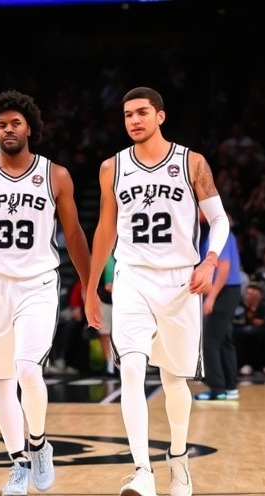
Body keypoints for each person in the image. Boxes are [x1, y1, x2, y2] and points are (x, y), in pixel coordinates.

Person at [84, 87, 230, 496]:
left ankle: (178, 459)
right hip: (132, 276)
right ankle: (142, 472)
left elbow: (219, 221)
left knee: (174, 379)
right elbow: (105, 229)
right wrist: (92, 286)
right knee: (131, 367)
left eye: (142, 112)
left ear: (160, 116)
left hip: (182, 280)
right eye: (128, 114)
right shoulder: (112, 167)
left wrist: (209, 260)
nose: (134, 120)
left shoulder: (191, 162)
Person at [0, 89, 91, 496]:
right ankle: (17, 461)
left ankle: (40, 443)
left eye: (15, 123)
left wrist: (90, 285)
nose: (8, 129)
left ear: (30, 127)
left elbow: (75, 233)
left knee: (28, 368)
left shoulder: (55, 174)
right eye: (1, 125)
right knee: (2, 380)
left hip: (38, 282)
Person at [195, 215, 243, 401]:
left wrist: (211, 298)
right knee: (224, 340)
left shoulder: (220, 235)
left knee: (210, 341)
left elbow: (224, 268)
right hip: (228, 290)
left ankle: (217, 388)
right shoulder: (222, 234)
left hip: (223, 291)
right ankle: (230, 386)